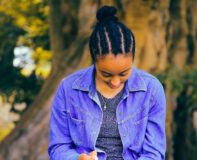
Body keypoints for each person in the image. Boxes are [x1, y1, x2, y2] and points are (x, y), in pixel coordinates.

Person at [48, 5, 166, 160]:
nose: (116, 82)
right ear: (94, 61)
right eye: (106, 74)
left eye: (124, 73)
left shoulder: (151, 89)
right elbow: (58, 147)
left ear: (133, 59)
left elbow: (154, 153)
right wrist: (77, 158)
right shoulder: (68, 89)